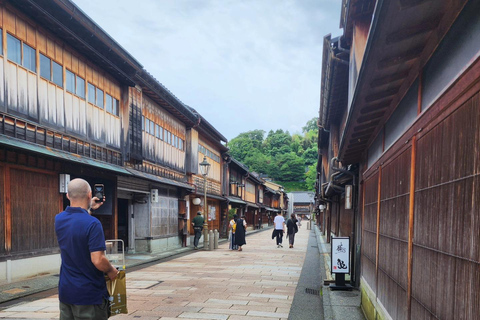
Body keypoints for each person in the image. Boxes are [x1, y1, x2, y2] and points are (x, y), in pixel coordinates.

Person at [55, 178, 118, 320]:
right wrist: (111, 270)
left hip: (66, 292)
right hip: (88, 294)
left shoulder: (59, 219)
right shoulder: (93, 224)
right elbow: (98, 260)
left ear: (67, 196)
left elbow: (77, 222)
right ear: (90, 195)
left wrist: (89, 208)